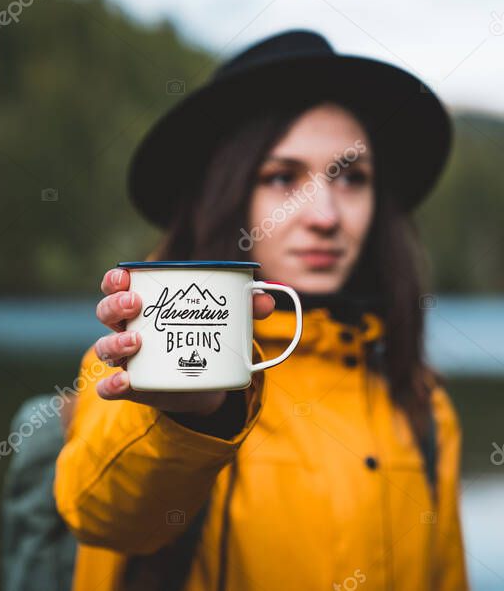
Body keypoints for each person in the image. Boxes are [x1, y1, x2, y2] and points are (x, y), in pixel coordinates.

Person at [54, 29, 468, 590]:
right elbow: (102, 513)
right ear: (227, 195)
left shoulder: (423, 406)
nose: (324, 214)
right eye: (281, 177)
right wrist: (189, 415)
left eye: (351, 178)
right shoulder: (139, 361)